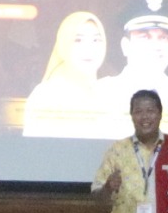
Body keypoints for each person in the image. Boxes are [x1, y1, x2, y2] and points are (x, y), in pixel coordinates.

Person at [95, 0, 168, 137]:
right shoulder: (100, 93)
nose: (156, 46)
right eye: (145, 37)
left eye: (164, 38)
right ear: (125, 46)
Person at [20, 10, 113, 139]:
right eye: (78, 40)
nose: (89, 48)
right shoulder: (45, 96)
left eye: (96, 40)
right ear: (64, 44)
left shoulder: (113, 94)